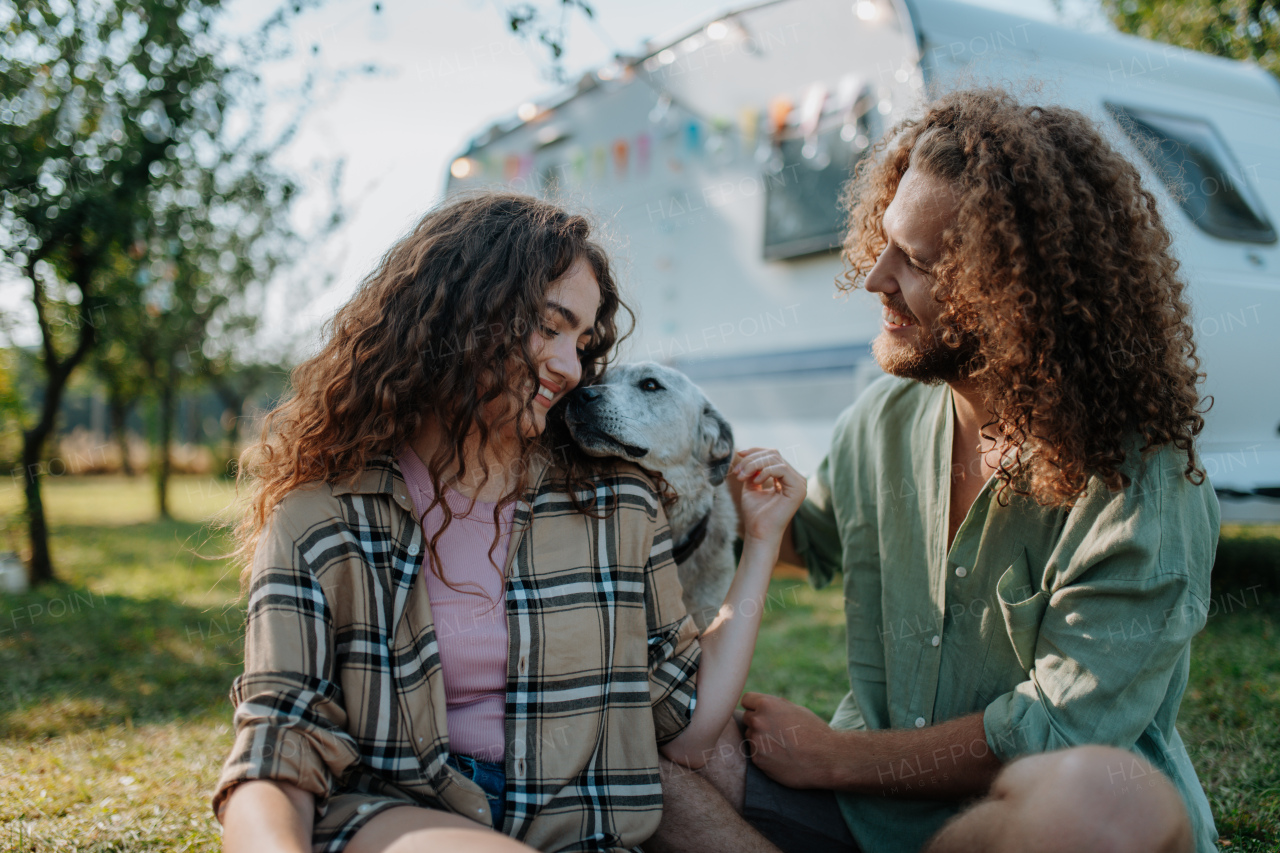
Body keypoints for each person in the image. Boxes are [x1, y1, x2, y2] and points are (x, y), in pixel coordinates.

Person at [645, 88, 1218, 853]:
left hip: (1020, 824)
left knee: (1090, 811)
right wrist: (675, 492)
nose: (874, 277)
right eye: (885, 242)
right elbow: (803, 540)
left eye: (913, 260)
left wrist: (834, 755)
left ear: (1016, 296)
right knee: (643, 752)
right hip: (858, 812)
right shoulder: (878, 423)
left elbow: (1051, 731)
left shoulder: (1143, 485)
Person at [212, 192, 806, 853]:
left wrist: (762, 540)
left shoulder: (615, 505)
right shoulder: (322, 515)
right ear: (461, 311)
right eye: (549, 327)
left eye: (582, 341)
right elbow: (278, 743)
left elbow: (687, 724)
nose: (570, 367)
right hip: (397, 820)